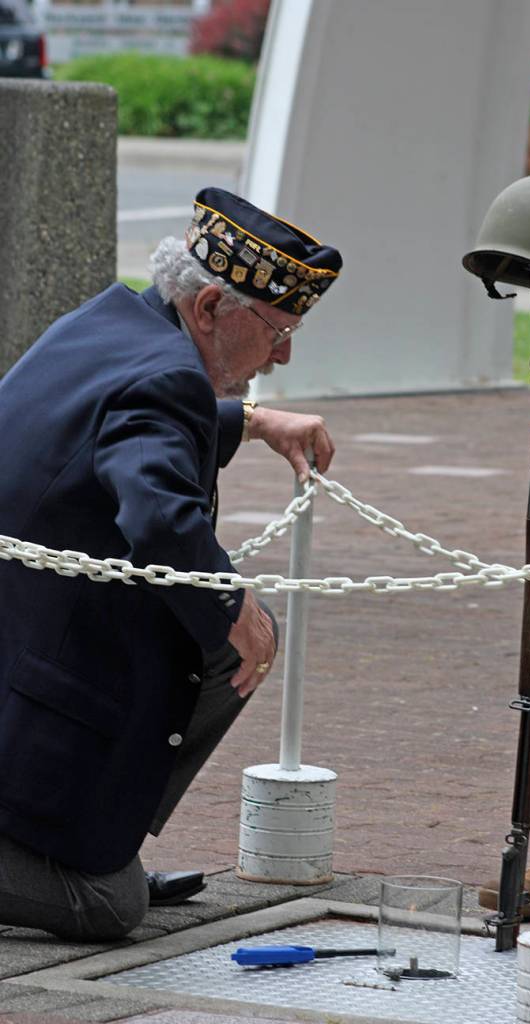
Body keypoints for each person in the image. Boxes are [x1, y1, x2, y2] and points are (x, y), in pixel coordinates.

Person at [0, 187, 342, 941]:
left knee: (234, 640)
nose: (284, 353)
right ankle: (72, 870)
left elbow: (119, 414)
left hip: (24, 619)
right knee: (109, 908)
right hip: (36, 660)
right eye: (279, 329)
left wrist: (250, 419)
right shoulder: (166, 380)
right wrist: (231, 609)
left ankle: (97, 839)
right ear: (212, 306)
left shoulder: (104, 323)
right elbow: (159, 515)